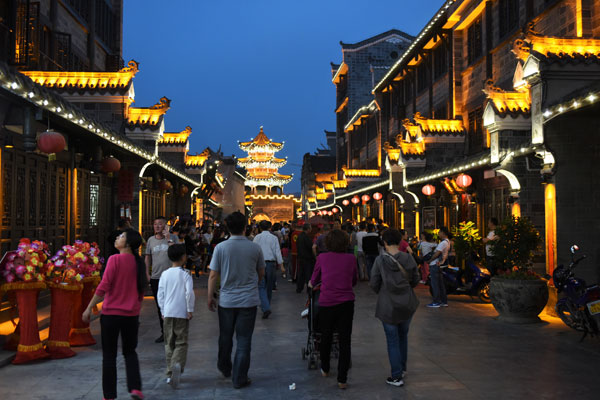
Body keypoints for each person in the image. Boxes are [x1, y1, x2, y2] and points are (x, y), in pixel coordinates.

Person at [82, 229, 147, 400]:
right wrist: (135, 307)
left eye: (122, 236)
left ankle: (109, 396)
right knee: (130, 352)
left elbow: (104, 286)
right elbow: (141, 289)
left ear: (128, 243)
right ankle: (135, 388)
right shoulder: (139, 263)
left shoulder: (114, 259)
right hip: (131, 315)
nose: (118, 238)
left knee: (109, 356)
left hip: (111, 314)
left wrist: (89, 307)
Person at [207, 211, 265, 389]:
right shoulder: (255, 248)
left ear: (227, 228)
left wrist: (210, 296)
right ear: (245, 228)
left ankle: (224, 366)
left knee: (225, 336)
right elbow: (261, 272)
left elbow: (213, 275)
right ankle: (239, 378)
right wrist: (252, 285)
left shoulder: (221, 248)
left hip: (227, 301)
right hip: (248, 301)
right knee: (244, 340)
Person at [369, 228, 419, 387]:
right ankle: (402, 369)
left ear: (384, 242)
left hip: (388, 305)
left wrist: (383, 291)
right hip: (406, 303)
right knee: (403, 336)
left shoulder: (380, 260)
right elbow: (415, 279)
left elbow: (374, 282)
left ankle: (396, 376)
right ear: (400, 241)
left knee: (392, 340)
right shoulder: (408, 258)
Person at [309, 229, 358, 389]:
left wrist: (312, 284)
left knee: (326, 335)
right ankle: (342, 379)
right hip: (346, 302)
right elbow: (354, 280)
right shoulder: (351, 258)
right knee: (345, 339)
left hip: (327, 302)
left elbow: (314, 280)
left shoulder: (322, 258)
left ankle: (325, 368)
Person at [157, 244, 195, 389]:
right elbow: (189, 293)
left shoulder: (164, 274)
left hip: (168, 313)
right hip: (181, 313)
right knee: (181, 342)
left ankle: (169, 374)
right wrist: (190, 309)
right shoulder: (186, 274)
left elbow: (160, 294)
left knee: (169, 343)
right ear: (183, 257)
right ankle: (176, 366)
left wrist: (163, 310)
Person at [145, 216, 178, 343]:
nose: (157, 226)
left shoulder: (173, 238)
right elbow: (147, 257)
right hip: (156, 277)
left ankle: (173, 332)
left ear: (166, 226)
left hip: (171, 277)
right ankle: (164, 332)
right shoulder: (151, 240)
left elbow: (176, 254)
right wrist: (147, 273)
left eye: (160, 224)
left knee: (172, 305)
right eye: (155, 224)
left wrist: (168, 238)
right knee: (161, 306)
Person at [253, 220, 283, 319]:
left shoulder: (257, 237)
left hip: (259, 265)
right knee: (269, 287)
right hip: (271, 264)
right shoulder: (274, 238)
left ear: (260, 228)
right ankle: (267, 306)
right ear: (270, 228)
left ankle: (266, 308)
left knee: (261, 286)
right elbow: (277, 251)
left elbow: (254, 251)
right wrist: (281, 265)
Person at [427, 227, 451, 308]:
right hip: (440, 265)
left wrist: (430, 260)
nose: (438, 233)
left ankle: (436, 301)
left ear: (443, 233)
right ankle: (443, 301)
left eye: (439, 232)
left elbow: (437, 253)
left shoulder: (443, 243)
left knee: (435, 284)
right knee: (440, 284)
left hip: (435, 264)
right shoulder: (447, 242)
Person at [296, 223, 315, 293]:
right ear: (308, 229)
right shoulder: (306, 237)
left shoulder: (300, 236)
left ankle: (299, 288)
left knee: (301, 274)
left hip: (301, 257)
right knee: (308, 274)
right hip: (307, 258)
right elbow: (310, 246)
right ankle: (309, 289)